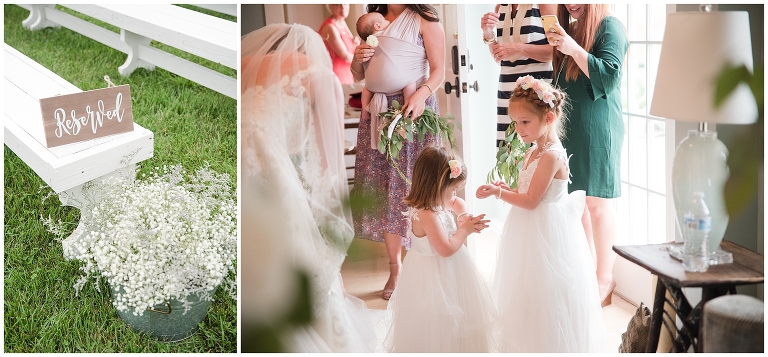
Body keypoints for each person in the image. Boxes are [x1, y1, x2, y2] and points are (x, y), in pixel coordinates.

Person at [241, 23, 375, 352]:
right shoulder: (320, 76)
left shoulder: (247, 66)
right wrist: (330, 255)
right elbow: (329, 171)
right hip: (272, 184)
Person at [476, 75, 605, 352]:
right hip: (527, 227)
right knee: (524, 290)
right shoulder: (535, 150)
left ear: (548, 117)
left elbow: (533, 200)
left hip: (546, 230)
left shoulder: (551, 155)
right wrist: (506, 187)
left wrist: (498, 194)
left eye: (525, 122)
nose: (519, 129)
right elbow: (527, 188)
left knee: (546, 291)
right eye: (515, 122)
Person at [349, 4, 445, 300]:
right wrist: (356, 59)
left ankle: (433, 266)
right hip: (377, 115)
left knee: (420, 190)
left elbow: (440, 71)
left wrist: (420, 95)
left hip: (413, 111)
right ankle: (395, 269)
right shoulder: (372, 22)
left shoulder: (425, 20)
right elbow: (358, 76)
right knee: (386, 191)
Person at [546, 4, 628, 307]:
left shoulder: (610, 27)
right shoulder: (574, 27)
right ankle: (588, 273)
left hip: (598, 127)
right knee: (577, 204)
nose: (571, 3)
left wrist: (572, 46)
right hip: (571, 126)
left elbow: (609, 76)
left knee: (598, 206)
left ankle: (605, 278)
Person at [384, 145, 498, 352]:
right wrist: (465, 230)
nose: (455, 195)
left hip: (452, 271)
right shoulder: (427, 214)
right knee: (438, 318)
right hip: (432, 276)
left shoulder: (437, 200)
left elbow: (458, 203)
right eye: (453, 189)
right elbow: (445, 249)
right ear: (437, 186)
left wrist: (464, 217)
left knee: (462, 313)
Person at [480, 4, 556, 146]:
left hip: (537, 94)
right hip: (507, 92)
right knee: (507, 154)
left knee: (537, 151)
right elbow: (501, 58)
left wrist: (519, 48)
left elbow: (556, 52)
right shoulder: (500, 8)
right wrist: (488, 33)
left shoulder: (545, 4)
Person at [355, 12, 418, 128]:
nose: (388, 21)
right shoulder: (389, 35)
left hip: (371, 86)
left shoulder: (366, 42)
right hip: (399, 84)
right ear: (377, 27)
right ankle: (408, 103)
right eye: (384, 20)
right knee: (410, 82)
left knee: (366, 90)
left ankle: (364, 108)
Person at [318, 4, 360, 84]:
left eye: (345, 3)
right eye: (338, 4)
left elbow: (350, 48)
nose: (343, 7)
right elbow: (346, 56)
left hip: (346, 73)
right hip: (336, 76)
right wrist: (366, 61)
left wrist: (354, 43)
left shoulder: (341, 22)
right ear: (331, 7)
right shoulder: (330, 27)